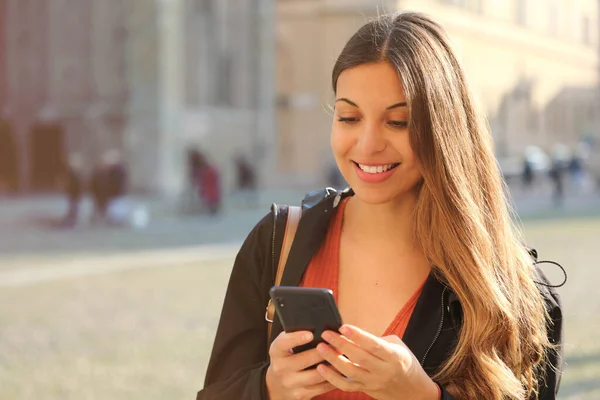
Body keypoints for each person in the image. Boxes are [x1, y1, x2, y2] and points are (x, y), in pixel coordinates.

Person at [198, 12, 563, 400]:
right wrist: (269, 387)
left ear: (445, 128)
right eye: (349, 117)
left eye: (398, 122)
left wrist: (422, 395)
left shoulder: (514, 288)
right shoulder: (275, 242)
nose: (368, 144)